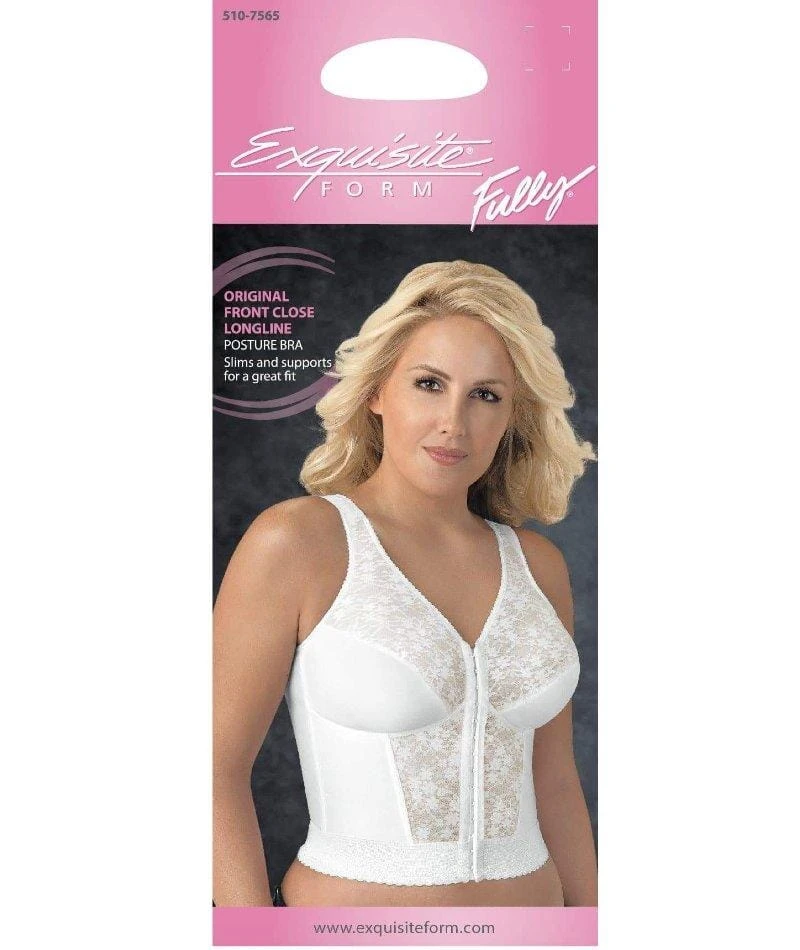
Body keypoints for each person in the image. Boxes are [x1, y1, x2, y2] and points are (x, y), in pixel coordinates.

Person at [213, 260, 597, 907]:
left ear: (512, 416)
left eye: (486, 395)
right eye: (428, 384)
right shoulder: (300, 542)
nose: (454, 422)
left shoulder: (539, 565)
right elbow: (212, 769)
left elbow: (554, 780)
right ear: (376, 392)